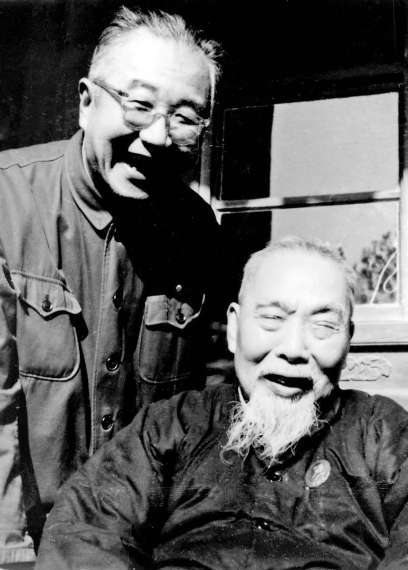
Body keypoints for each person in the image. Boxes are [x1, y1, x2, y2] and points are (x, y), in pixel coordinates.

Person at [0, 6, 222, 565]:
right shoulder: (6, 203)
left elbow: (206, 411)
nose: (157, 137)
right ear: (86, 101)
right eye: (139, 105)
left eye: (185, 117)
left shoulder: (197, 232)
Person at [36, 236, 408, 570]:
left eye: (324, 326)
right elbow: (86, 531)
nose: (293, 349)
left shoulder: (384, 436)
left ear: (348, 340)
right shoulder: (171, 427)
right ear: (234, 328)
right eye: (272, 319)